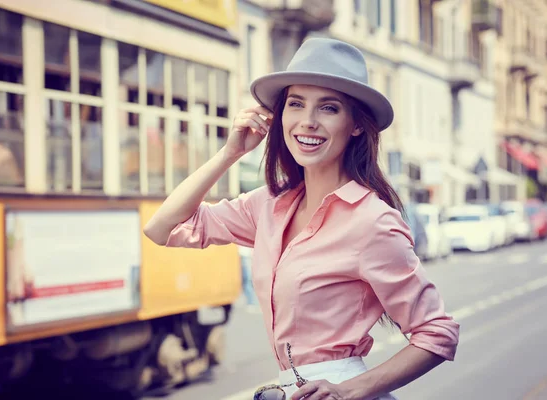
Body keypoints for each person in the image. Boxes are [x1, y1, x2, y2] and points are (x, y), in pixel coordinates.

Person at [144, 38, 459, 400]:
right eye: (296, 104)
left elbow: (438, 332)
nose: (307, 122)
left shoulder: (373, 221)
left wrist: (347, 390)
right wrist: (229, 152)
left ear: (356, 124)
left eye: (328, 108)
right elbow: (162, 228)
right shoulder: (268, 207)